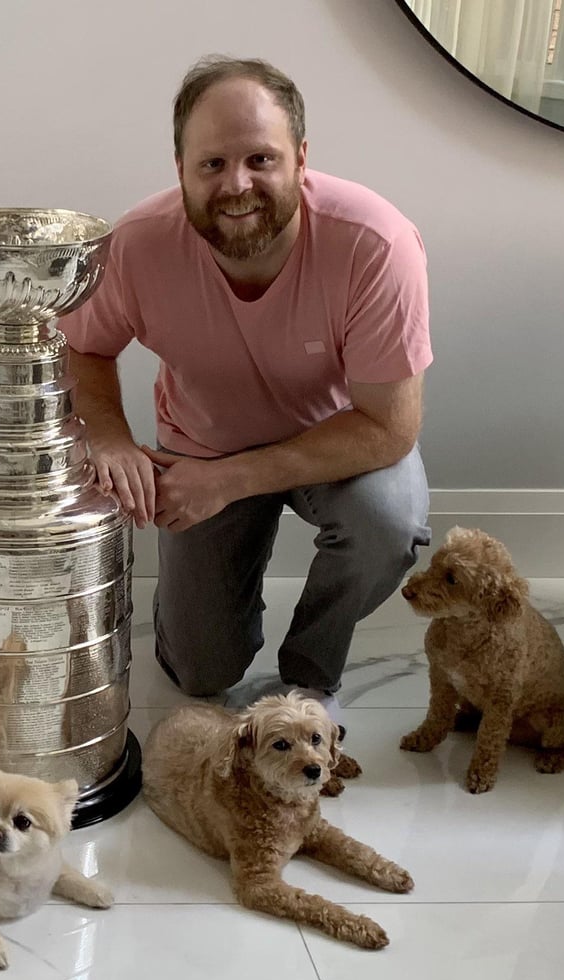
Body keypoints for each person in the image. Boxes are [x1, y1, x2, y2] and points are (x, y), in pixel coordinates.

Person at [60, 56, 433, 720]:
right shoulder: (135, 246)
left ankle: (308, 670)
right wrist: (111, 441)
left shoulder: (377, 244)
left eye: (261, 159)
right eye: (212, 165)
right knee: (199, 673)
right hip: (200, 447)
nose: (237, 185)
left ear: (300, 159)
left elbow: (390, 427)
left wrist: (234, 479)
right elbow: (81, 348)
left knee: (389, 522)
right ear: (180, 169)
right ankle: (195, 601)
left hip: (339, 444)